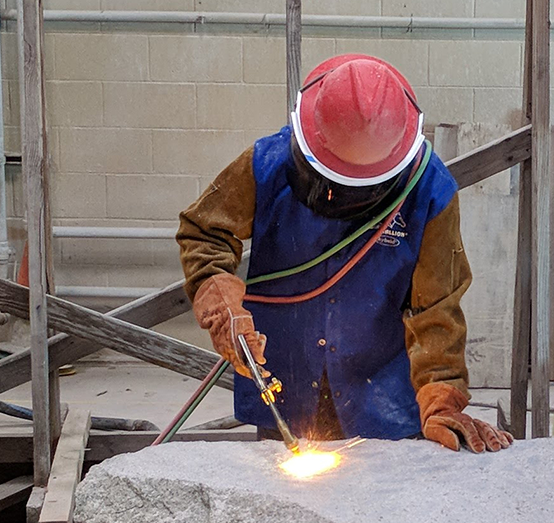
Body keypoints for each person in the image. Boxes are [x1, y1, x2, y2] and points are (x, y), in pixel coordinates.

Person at [177, 54, 511, 453]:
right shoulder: (267, 165)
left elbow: (436, 307)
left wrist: (442, 398)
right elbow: (204, 231)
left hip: (378, 395)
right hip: (285, 379)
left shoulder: (429, 192)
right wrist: (221, 306)